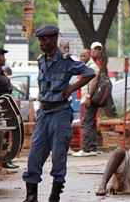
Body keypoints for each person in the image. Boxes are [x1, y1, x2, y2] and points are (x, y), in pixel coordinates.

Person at [22, 24, 96, 202]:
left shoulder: (65, 60)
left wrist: (70, 89)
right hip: (43, 113)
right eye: (39, 40)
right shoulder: (41, 60)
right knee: (34, 155)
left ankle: (55, 195)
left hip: (60, 113)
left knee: (58, 156)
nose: (41, 43)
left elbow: (89, 73)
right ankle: (31, 196)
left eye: (44, 39)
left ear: (54, 40)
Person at [72, 47, 100, 157]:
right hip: (90, 99)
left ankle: (86, 149)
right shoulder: (88, 66)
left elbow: (94, 82)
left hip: (89, 99)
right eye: (81, 56)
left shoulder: (92, 66)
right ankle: (92, 148)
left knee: (86, 124)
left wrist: (88, 97)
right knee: (91, 124)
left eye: (84, 55)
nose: (82, 58)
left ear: (89, 55)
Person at [0, 48, 19, 169]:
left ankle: (5, 159)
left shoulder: (0, 71)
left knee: (7, 134)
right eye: (2, 56)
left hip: (5, 107)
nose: (4, 59)